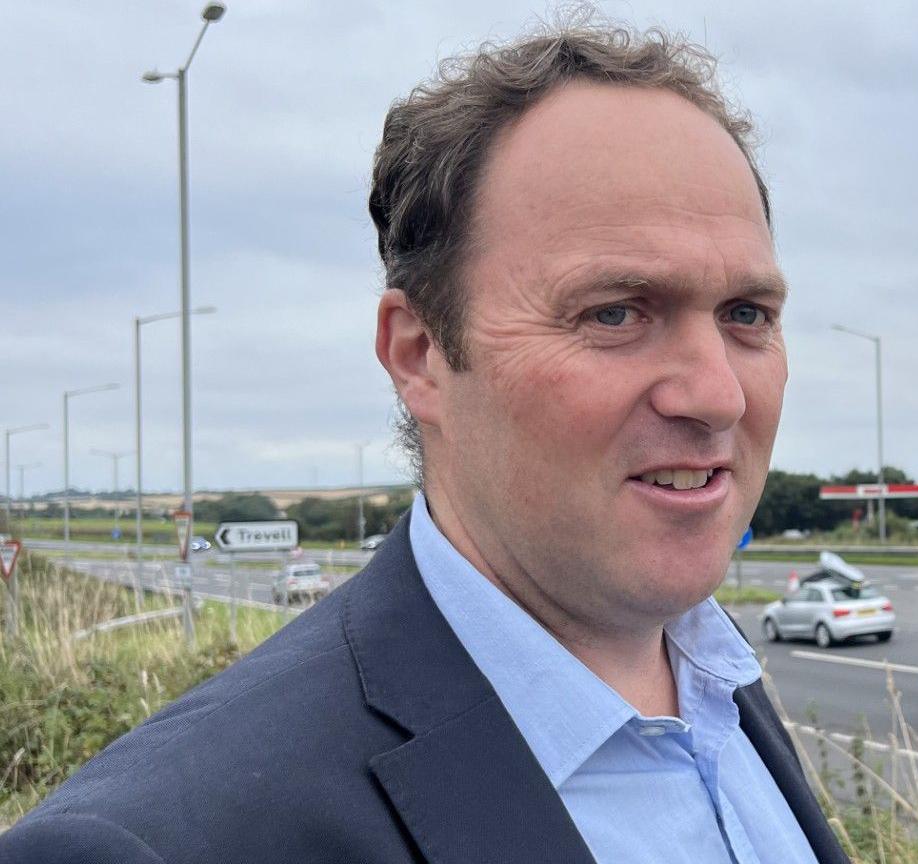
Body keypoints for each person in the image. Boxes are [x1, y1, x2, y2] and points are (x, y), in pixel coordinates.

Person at [0, 20, 849, 864]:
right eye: (614, 313)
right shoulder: (158, 841)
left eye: (747, 315)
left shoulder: (720, 688)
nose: (717, 394)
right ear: (421, 356)